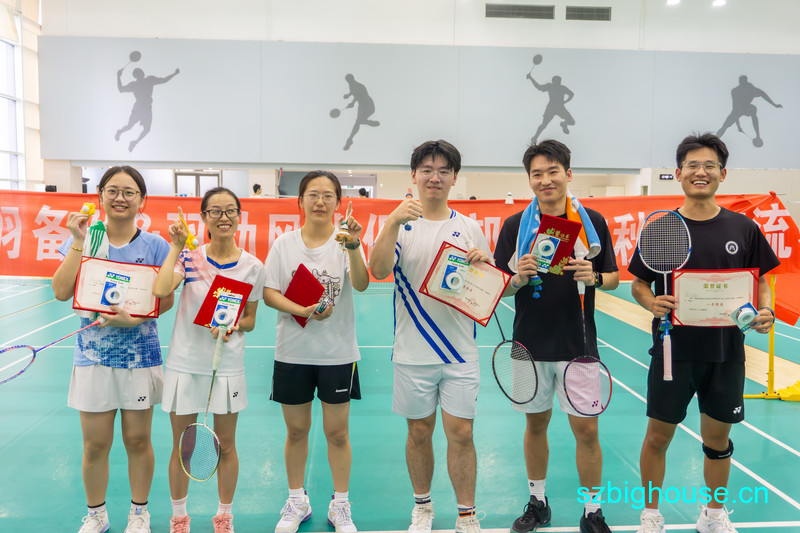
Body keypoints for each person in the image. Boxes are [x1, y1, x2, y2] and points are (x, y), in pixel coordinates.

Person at [628, 133, 779, 533]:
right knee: (658, 437)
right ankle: (651, 515)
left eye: (709, 165)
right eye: (692, 165)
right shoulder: (662, 228)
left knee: (717, 441)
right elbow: (639, 284)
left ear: (722, 174)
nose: (701, 172)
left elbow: (761, 281)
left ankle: (713, 515)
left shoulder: (743, 227)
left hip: (726, 352)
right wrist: (651, 302)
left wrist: (766, 310)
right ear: (678, 173)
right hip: (673, 353)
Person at [493, 140, 619, 533]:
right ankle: (538, 503)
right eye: (537, 174)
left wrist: (594, 277)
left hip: (578, 344)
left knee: (587, 430)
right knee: (535, 426)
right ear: (529, 179)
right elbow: (499, 286)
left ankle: (592, 511)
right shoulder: (515, 226)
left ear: (568, 173)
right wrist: (518, 277)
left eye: (553, 171)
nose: (545, 180)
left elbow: (614, 278)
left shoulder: (592, 222)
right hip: (527, 345)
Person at [370, 140, 492, 533]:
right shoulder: (400, 224)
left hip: (460, 353)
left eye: (443, 171)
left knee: (462, 433)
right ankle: (422, 507)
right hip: (412, 352)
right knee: (419, 432)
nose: (434, 177)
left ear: (454, 178)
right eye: (426, 169)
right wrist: (391, 222)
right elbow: (376, 270)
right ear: (414, 176)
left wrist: (485, 265)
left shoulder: (469, 227)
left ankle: (466, 514)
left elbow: (487, 290)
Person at [52, 165, 175, 533]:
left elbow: (165, 299)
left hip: (140, 356)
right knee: (95, 444)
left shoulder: (156, 246)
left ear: (142, 200)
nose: (120, 198)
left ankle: (139, 515)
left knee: (138, 440)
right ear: (100, 196)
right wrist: (78, 240)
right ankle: (96, 515)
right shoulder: (85, 238)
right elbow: (61, 291)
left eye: (129, 192)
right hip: (92, 356)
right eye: (113, 190)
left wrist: (134, 320)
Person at [153, 187, 265, 533]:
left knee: (226, 445)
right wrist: (176, 247)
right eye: (215, 211)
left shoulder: (253, 267)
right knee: (182, 445)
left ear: (239, 217)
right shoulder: (189, 259)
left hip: (226, 366)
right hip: (185, 364)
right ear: (204, 218)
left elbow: (250, 319)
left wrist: (233, 325)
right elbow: (160, 290)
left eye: (230, 210)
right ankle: (179, 518)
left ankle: (224, 516)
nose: (223, 217)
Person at [263, 171, 369, 533]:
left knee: (337, 433)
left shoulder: (345, 243)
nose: (320, 202)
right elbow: (269, 293)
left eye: (328, 195)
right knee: (296, 431)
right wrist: (302, 310)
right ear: (300, 201)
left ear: (339, 203)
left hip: (337, 354)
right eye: (313, 194)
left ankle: (341, 505)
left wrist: (354, 246)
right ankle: (297, 500)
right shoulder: (284, 244)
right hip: (292, 353)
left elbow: (362, 284)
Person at [114, 66, 180, 152]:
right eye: (139, 73)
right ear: (136, 76)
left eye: (141, 72)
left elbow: (164, 80)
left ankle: (134, 142)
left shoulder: (149, 80)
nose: (141, 73)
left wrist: (174, 74)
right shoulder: (136, 84)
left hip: (146, 108)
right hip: (139, 108)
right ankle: (120, 132)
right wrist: (118, 77)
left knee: (146, 130)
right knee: (130, 126)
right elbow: (121, 89)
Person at [526, 73, 575, 145]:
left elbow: (571, 94)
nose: (557, 83)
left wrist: (565, 101)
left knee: (572, 122)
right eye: (556, 81)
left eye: (558, 81)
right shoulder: (551, 86)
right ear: (553, 81)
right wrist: (531, 78)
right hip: (552, 108)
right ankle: (535, 137)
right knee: (544, 124)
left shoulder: (561, 88)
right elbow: (539, 87)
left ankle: (564, 124)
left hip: (559, 108)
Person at [341, 73, 380, 151]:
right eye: (347, 81)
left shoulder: (358, 86)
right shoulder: (352, 86)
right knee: (359, 122)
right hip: (364, 105)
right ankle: (350, 139)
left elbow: (357, 95)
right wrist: (348, 95)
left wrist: (352, 103)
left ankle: (350, 139)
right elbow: (353, 92)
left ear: (352, 79)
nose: (348, 82)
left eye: (349, 80)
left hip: (366, 105)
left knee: (358, 122)